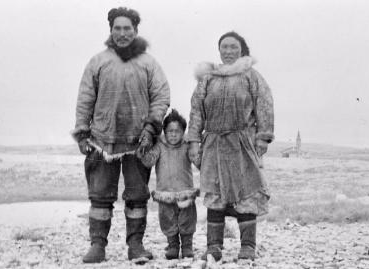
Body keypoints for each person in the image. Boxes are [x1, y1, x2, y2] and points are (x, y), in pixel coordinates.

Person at [71, 7, 170, 263]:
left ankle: (135, 245)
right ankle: (98, 246)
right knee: (100, 197)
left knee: (137, 196)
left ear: (135, 31)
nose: (123, 33)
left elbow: (161, 97)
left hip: (139, 142)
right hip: (102, 140)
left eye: (128, 29)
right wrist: (82, 133)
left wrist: (152, 127)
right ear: (111, 30)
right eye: (118, 28)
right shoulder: (98, 61)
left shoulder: (149, 63)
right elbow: (85, 98)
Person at [187, 31, 274, 261]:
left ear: (241, 50)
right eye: (224, 47)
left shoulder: (251, 76)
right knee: (215, 195)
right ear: (219, 50)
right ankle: (214, 247)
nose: (228, 51)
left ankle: (247, 246)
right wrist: (193, 139)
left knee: (246, 194)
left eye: (233, 47)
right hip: (214, 143)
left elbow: (264, 104)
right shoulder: (208, 78)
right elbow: (196, 110)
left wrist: (263, 137)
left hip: (241, 143)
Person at [140, 109, 199, 260]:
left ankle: (187, 245)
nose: (173, 134)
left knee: (187, 219)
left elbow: (198, 161)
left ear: (183, 132)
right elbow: (148, 161)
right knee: (167, 220)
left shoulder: (187, 146)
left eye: (177, 131)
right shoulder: (159, 146)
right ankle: (173, 245)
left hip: (184, 191)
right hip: (165, 192)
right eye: (170, 131)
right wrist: (142, 150)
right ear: (164, 131)